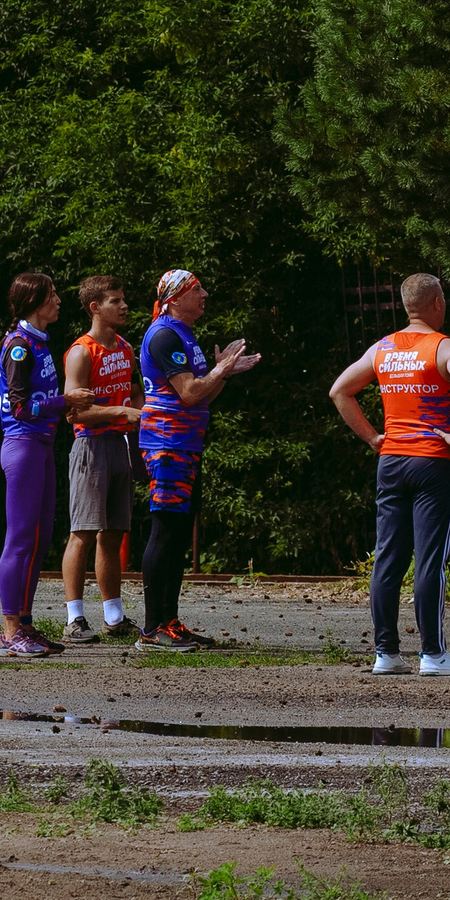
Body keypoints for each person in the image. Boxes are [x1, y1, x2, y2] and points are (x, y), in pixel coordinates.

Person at [330, 274, 450, 675]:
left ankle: (386, 654)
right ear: (437, 303)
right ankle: (433, 656)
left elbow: (339, 391)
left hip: (392, 461)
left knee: (389, 559)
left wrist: (371, 438)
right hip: (433, 461)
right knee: (430, 561)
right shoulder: (444, 346)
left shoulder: (382, 349)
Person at [132, 269, 259, 652]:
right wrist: (219, 370)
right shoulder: (165, 333)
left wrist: (224, 373)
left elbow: (202, 395)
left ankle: (170, 622)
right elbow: (188, 393)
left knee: (178, 533)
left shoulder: (185, 334)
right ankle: (153, 627)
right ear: (174, 298)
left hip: (186, 443)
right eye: (196, 289)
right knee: (165, 530)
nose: (204, 294)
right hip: (167, 444)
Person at [59, 276, 143, 644]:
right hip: (90, 448)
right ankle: (74, 618)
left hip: (119, 445)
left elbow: (134, 394)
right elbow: (73, 414)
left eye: (123, 300)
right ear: (95, 307)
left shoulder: (125, 348)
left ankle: (114, 616)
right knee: (82, 533)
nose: (123, 306)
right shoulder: (81, 351)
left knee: (113, 534)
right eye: (115, 301)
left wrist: (138, 412)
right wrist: (120, 412)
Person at [0, 271, 70, 658]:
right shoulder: (20, 346)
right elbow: (22, 408)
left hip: (41, 445)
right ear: (35, 302)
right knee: (21, 538)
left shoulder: (40, 343)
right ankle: (10, 631)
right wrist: (66, 401)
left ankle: (25, 622)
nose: (58, 300)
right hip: (23, 445)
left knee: (40, 540)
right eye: (52, 295)